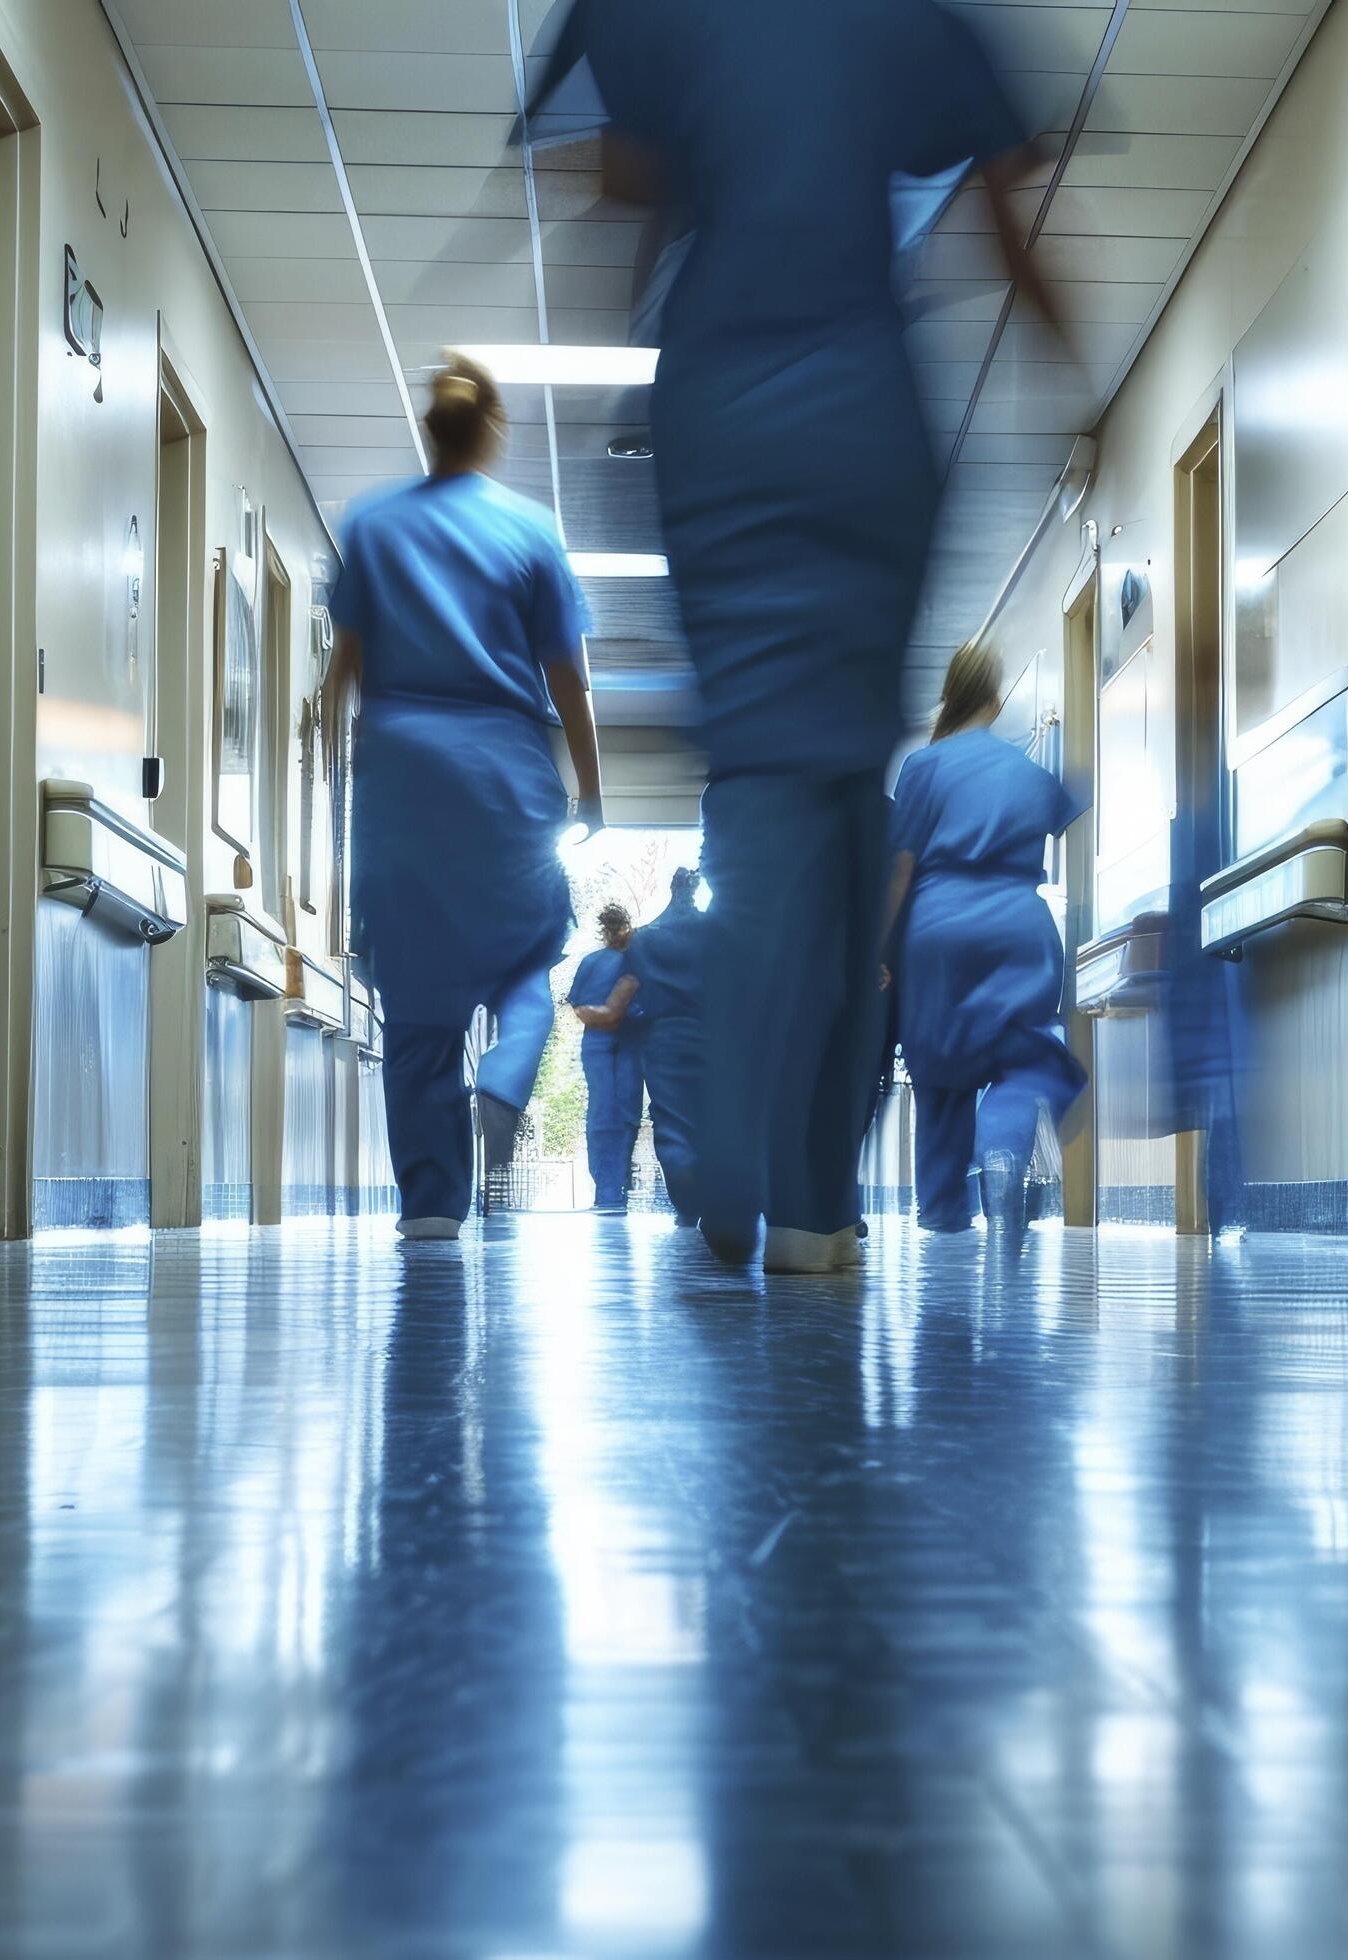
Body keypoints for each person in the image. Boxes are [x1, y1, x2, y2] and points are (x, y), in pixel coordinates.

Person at [543, 0, 1066, 1274]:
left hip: (720, 396)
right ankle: (815, 1197)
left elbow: (618, 178)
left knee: (774, 770)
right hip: (861, 404)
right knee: (839, 778)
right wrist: (1074, 376)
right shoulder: (912, 15)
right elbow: (1005, 217)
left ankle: (754, 1164)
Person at [329, 357, 603, 1240]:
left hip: (403, 773)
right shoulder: (529, 531)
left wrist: (348, 774)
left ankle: (431, 1209)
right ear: (490, 428)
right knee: (526, 959)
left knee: (414, 998)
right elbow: (567, 677)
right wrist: (590, 792)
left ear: (428, 428)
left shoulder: (371, 525)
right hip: (501, 773)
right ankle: (501, 1083)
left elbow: (346, 670)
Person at [881, 646, 1084, 1241]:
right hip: (1019, 921)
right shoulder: (1029, 771)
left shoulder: (923, 766)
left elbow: (900, 868)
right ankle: (1001, 1156)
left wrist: (878, 950)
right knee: (1020, 1061)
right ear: (996, 701)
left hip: (938, 926)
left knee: (942, 1076)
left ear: (951, 696)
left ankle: (945, 1216)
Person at [622, 864, 708, 1221]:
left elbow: (632, 995)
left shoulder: (644, 937)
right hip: (714, 1034)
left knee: (671, 1120)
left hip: (663, 1037)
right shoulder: (716, 932)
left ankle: (687, 1202)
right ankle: (710, 1190)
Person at [568, 903, 647, 1213]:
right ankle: (612, 1188)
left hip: (606, 1042)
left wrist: (602, 1015)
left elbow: (578, 1006)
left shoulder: (595, 962)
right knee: (621, 1111)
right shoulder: (634, 961)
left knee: (605, 1111)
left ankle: (608, 1189)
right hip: (622, 1041)